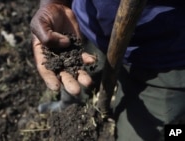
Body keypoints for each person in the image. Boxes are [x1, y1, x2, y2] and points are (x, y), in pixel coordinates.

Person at [30, 0, 185, 140]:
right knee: (74, 81)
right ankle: (68, 108)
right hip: (88, 27)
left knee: (142, 132)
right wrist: (55, 2)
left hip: (169, 58)